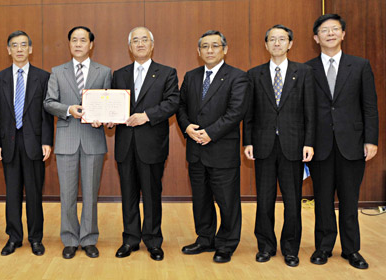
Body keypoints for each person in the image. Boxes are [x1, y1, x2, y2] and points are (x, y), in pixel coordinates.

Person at [306, 14, 378, 270]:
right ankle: (323, 247)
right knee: (322, 199)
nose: (330, 34)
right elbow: (304, 110)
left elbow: (369, 106)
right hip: (320, 145)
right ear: (316, 38)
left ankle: (352, 249)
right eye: (324, 30)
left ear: (343, 34)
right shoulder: (307, 69)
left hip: (353, 143)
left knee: (350, 199)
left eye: (335, 29)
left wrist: (371, 139)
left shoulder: (360, 65)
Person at [243, 24, 315, 267]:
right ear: (265, 45)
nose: (277, 43)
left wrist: (309, 143)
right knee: (264, 199)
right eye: (272, 39)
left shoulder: (303, 72)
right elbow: (248, 113)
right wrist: (248, 141)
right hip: (263, 145)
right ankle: (265, 246)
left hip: (293, 145)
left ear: (290, 44)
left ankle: (290, 248)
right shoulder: (254, 74)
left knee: (293, 200)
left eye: (281, 39)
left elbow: (310, 112)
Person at [177, 30, 249, 263]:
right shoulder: (191, 76)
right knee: (201, 198)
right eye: (205, 46)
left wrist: (210, 133)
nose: (209, 50)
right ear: (198, 52)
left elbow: (236, 111)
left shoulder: (237, 77)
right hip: (196, 150)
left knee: (227, 200)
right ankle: (205, 238)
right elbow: (181, 106)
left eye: (215, 46)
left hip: (222, 150)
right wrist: (187, 127)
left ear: (225, 49)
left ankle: (226, 243)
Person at [111, 27, 179, 261]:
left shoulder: (167, 73)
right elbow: (113, 104)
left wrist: (147, 116)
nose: (140, 44)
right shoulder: (119, 74)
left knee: (151, 195)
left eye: (144, 40)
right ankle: (130, 239)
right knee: (128, 194)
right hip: (125, 144)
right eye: (135, 41)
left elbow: (172, 103)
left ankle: (153, 240)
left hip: (152, 144)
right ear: (129, 47)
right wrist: (109, 120)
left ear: (152, 45)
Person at [43, 26, 111, 259]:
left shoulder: (104, 71)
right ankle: (70, 239)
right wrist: (68, 109)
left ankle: (89, 238)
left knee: (91, 194)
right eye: (74, 40)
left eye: (83, 40)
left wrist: (105, 120)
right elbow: (49, 102)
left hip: (93, 139)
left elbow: (110, 104)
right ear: (69, 44)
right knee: (68, 194)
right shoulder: (57, 71)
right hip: (66, 139)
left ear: (91, 44)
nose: (79, 44)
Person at [0, 31, 53, 256]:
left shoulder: (43, 77)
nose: (19, 49)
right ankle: (14, 237)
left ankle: (36, 238)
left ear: (30, 49)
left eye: (23, 45)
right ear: (8, 50)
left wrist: (47, 141)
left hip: (34, 144)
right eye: (14, 45)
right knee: (12, 194)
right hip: (8, 144)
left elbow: (46, 114)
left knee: (34, 194)